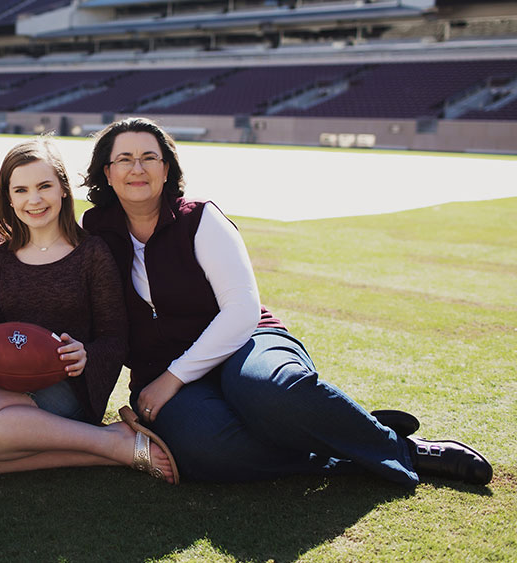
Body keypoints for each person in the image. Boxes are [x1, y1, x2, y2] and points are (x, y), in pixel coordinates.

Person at [80, 116, 493, 487]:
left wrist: (176, 376)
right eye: (125, 159)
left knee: (269, 392)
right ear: (108, 172)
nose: (138, 168)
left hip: (245, 342)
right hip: (160, 367)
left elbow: (240, 310)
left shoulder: (200, 219)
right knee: (207, 449)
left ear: (166, 169)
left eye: (150, 157)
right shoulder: (96, 230)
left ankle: (404, 449)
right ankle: (342, 444)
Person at [0, 137, 178, 483]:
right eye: (22, 190)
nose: (34, 199)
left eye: (45, 186)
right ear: (9, 198)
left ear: (62, 189)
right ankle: (110, 447)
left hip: (69, 384)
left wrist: (85, 354)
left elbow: (115, 337)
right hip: (10, 383)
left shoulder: (92, 254)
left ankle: (99, 438)